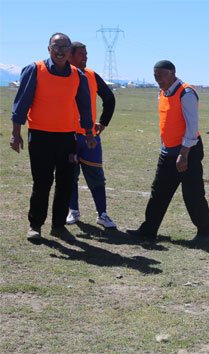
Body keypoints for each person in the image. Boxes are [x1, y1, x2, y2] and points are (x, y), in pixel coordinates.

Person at [9, 33, 96, 242]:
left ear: (69, 52)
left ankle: (58, 226)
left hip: (67, 137)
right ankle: (35, 226)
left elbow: (85, 107)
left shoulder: (78, 75)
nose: (60, 51)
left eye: (64, 47)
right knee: (42, 181)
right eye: (56, 47)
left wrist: (89, 132)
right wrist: (15, 134)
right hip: (39, 136)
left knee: (66, 182)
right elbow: (21, 104)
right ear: (49, 49)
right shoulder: (35, 70)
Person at [126, 60, 209, 243]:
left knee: (192, 193)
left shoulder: (186, 93)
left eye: (161, 75)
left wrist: (184, 152)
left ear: (172, 73)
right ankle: (148, 230)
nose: (158, 79)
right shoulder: (162, 93)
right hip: (168, 151)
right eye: (155, 76)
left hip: (187, 151)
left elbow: (192, 126)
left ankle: (205, 233)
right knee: (158, 192)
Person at [65, 41, 117, 228]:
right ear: (69, 55)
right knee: (70, 176)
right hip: (67, 136)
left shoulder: (91, 75)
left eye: (86, 54)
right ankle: (73, 212)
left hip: (89, 137)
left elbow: (109, 98)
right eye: (81, 54)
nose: (85, 57)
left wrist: (103, 122)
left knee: (96, 175)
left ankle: (102, 214)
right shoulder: (61, 75)